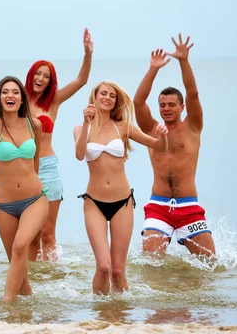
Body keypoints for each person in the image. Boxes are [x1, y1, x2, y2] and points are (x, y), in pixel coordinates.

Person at [0, 29, 93, 261]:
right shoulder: (16, 97)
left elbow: (81, 80)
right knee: (30, 237)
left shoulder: (54, 101)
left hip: (48, 168)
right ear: (31, 75)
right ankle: (31, 277)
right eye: (38, 73)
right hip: (19, 171)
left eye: (46, 76)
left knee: (47, 233)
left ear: (50, 81)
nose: (41, 78)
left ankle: (51, 279)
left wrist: (87, 53)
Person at [73, 81, 168, 295]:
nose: (107, 98)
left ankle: (121, 318)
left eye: (112, 96)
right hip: (94, 203)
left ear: (116, 101)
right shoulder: (81, 128)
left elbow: (158, 146)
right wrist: (87, 122)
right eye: (103, 94)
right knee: (103, 267)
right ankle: (98, 319)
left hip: (123, 203)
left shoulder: (124, 127)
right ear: (94, 97)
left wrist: (162, 135)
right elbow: (79, 155)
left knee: (117, 271)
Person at [133, 34, 216, 259]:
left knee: (210, 264)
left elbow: (193, 93)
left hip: (188, 206)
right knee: (151, 263)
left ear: (181, 107)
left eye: (171, 105)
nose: (166, 109)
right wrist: (153, 69)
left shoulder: (192, 126)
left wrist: (183, 60)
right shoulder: (151, 129)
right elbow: (138, 102)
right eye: (162, 105)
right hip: (158, 206)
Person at [0, 73, 48, 302]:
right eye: (5, 92)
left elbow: (34, 164)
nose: (10, 95)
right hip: (5, 206)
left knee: (20, 247)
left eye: (15, 92)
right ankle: (26, 312)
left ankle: (6, 306)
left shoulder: (33, 124)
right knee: (17, 267)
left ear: (21, 99)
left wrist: (34, 186)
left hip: (35, 199)